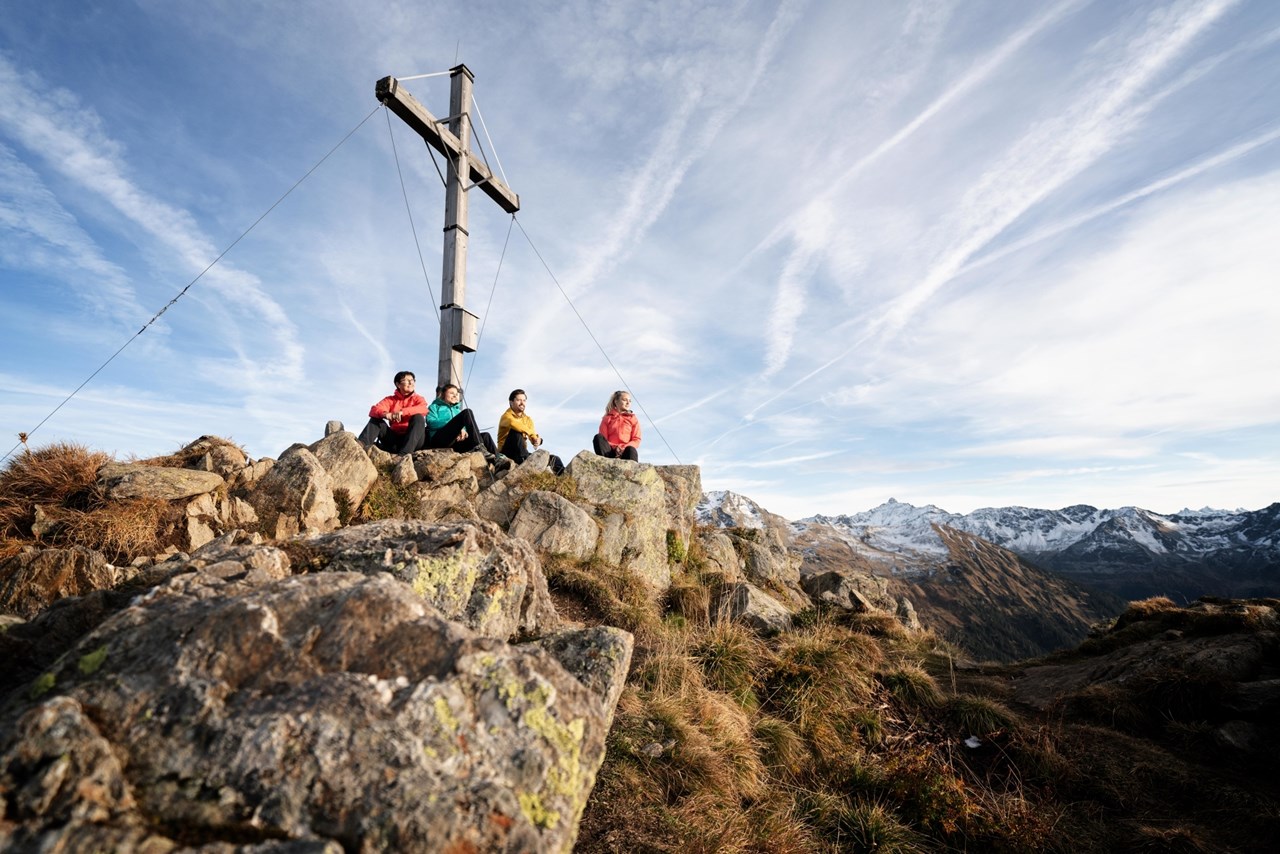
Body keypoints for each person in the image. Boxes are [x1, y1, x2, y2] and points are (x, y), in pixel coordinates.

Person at [357, 371, 428, 454]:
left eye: (412, 380)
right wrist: (385, 414)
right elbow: (374, 410)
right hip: (394, 440)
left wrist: (403, 412)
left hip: (414, 441)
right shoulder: (390, 400)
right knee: (376, 419)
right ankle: (359, 447)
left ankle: (404, 455)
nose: (410, 383)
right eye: (406, 380)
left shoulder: (418, 398)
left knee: (418, 417)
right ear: (398, 384)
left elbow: (424, 409)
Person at [498, 389, 565, 475]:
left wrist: (537, 440)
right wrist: (531, 434)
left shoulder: (528, 419)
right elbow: (515, 425)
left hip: (522, 453)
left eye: (524, 400)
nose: (522, 403)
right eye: (518, 400)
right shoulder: (506, 416)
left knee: (555, 459)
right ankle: (527, 462)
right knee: (516, 434)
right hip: (506, 453)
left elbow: (533, 436)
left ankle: (563, 477)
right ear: (511, 402)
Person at [426, 383, 497, 456]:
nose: (455, 396)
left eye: (456, 394)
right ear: (443, 394)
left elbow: (464, 427)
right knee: (467, 412)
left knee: (486, 436)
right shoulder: (434, 407)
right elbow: (431, 422)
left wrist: (463, 430)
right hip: (440, 439)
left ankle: (498, 459)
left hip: (457, 443)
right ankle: (479, 447)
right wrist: (452, 425)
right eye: (451, 393)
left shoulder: (457, 410)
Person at [593, 390, 640, 461]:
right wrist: (615, 448)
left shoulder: (633, 419)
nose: (628, 403)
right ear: (616, 401)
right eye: (624, 400)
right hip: (610, 452)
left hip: (625, 452)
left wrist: (623, 448)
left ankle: (631, 470)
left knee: (631, 449)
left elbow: (636, 439)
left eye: (630, 401)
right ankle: (606, 465)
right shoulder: (607, 418)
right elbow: (603, 439)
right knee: (598, 438)